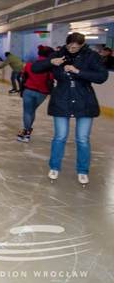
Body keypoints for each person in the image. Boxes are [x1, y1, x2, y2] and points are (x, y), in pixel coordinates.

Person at [32, 32, 109, 186]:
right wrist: (51, 62)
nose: (73, 49)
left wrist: (78, 71)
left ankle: (82, 170)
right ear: (66, 44)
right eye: (70, 46)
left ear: (82, 45)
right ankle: (54, 167)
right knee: (60, 136)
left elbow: (102, 76)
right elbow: (35, 68)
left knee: (82, 139)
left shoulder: (91, 56)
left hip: (84, 101)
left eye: (77, 46)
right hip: (62, 99)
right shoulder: (58, 54)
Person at [17, 45, 54, 142]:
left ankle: (26, 132)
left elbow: (22, 76)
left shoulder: (29, 65)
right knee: (32, 111)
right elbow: (51, 80)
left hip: (28, 90)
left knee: (28, 111)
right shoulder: (50, 67)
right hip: (42, 93)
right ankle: (27, 131)